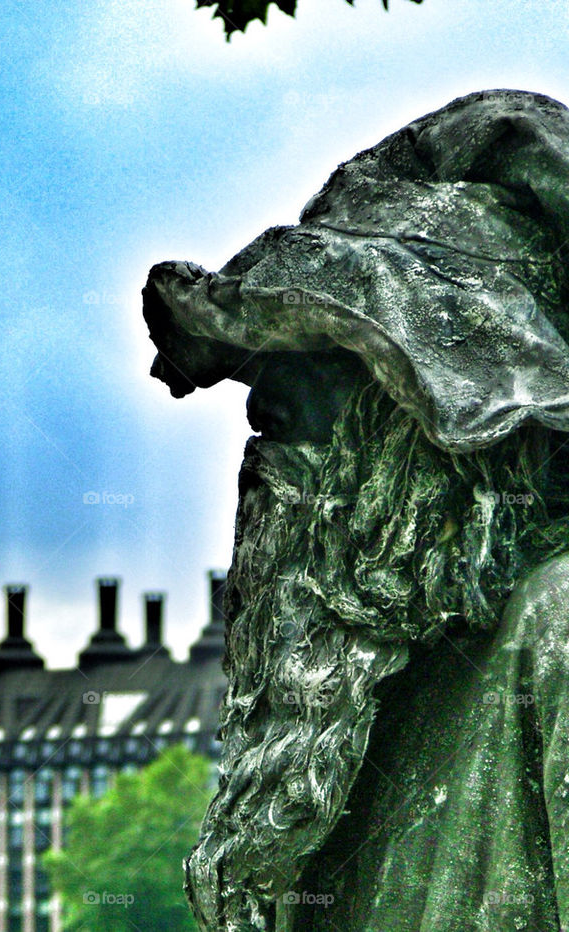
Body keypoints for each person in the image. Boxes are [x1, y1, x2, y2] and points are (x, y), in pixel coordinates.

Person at [143, 89, 569, 932]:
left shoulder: (555, 636)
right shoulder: (342, 712)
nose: (263, 402)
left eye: (328, 355)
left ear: (439, 419)